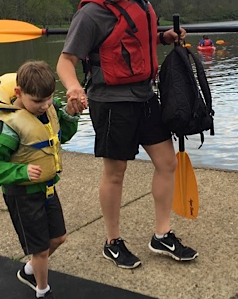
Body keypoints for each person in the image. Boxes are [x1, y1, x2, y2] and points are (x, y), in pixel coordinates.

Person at [56, 0, 198, 270]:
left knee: (168, 163)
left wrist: (161, 37)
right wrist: (73, 87)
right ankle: (113, 242)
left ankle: (161, 235)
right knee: (115, 173)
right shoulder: (91, 14)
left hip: (145, 96)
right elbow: (65, 61)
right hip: (110, 103)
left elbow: (130, 43)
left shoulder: (141, 4)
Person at [0, 61, 83, 299]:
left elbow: (61, 137)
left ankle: (28, 272)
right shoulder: (5, 126)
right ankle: (42, 290)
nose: (45, 105)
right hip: (22, 196)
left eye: (48, 99)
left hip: (46, 190)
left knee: (58, 238)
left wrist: (70, 114)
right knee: (40, 250)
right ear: (19, 93)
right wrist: (22, 173)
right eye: (37, 101)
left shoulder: (48, 109)